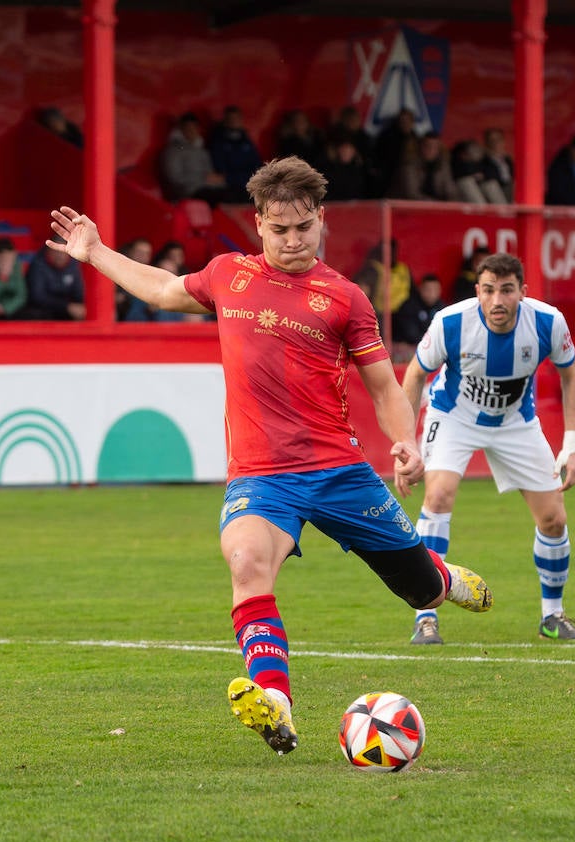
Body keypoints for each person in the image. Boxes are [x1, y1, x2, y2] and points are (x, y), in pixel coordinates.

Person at [46, 156, 493, 756]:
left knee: (420, 593)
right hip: (262, 475)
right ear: (258, 224)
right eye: (280, 230)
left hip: (339, 471)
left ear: (321, 221)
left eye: (304, 228)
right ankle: (274, 701)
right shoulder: (228, 274)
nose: (292, 241)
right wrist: (95, 253)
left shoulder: (345, 298)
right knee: (246, 563)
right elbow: (161, 288)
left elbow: (385, 388)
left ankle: (445, 579)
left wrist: (405, 442)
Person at [402, 252, 575, 644]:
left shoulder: (547, 322)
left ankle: (552, 616)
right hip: (453, 416)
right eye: (489, 290)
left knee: (553, 519)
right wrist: (406, 442)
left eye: (506, 290)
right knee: (437, 496)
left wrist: (570, 443)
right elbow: (415, 373)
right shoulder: (451, 322)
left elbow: (571, 375)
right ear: (478, 291)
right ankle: (426, 616)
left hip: (516, 422)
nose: (497, 301)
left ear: (523, 291)